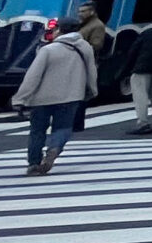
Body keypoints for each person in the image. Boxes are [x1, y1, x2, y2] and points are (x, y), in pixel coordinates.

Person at [13, 16, 97, 174]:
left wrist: (21, 98)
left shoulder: (48, 50)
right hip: (72, 95)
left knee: (37, 130)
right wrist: (92, 90)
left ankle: (33, 163)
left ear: (59, 30)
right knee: (63, 127)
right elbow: (91, 71)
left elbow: (33, 76)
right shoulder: (85, 47)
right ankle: (54, 149)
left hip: (42, 97)